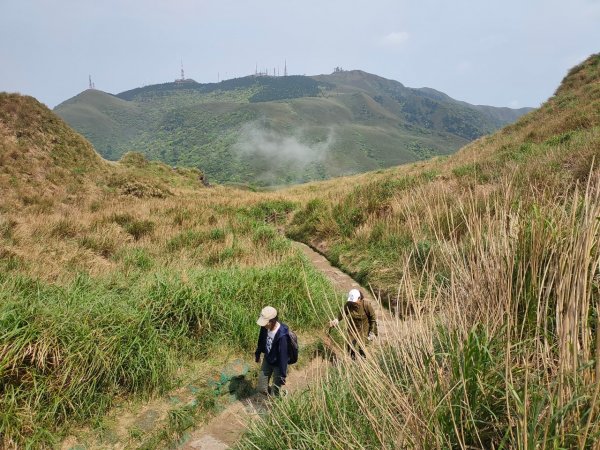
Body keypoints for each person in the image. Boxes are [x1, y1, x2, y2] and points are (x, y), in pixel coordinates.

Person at [329, 289, 377, 359]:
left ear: (359, 298)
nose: (352, 303)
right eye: (351, 301)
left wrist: (372, 332)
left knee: (362, 348)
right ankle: (353, 362)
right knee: (350, 346)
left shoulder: (366, 305)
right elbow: (343, 313)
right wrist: (336, 320)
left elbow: (373, 319)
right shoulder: (349, 304)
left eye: (354, 301)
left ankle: (363, 363)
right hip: (353, 329)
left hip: (364, 329)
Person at [255, 306, 289, 396]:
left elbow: (283, 357)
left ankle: (278, 400)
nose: (263, 325)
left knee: (275, 392)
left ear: (272, 321)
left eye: (265, 323)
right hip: (268, 358)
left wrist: (282, 375)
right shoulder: (265, 327)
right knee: (262, 387)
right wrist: (257, 354)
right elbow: (261, 340)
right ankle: (273, 395)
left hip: (278, 363)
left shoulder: (282, 335)